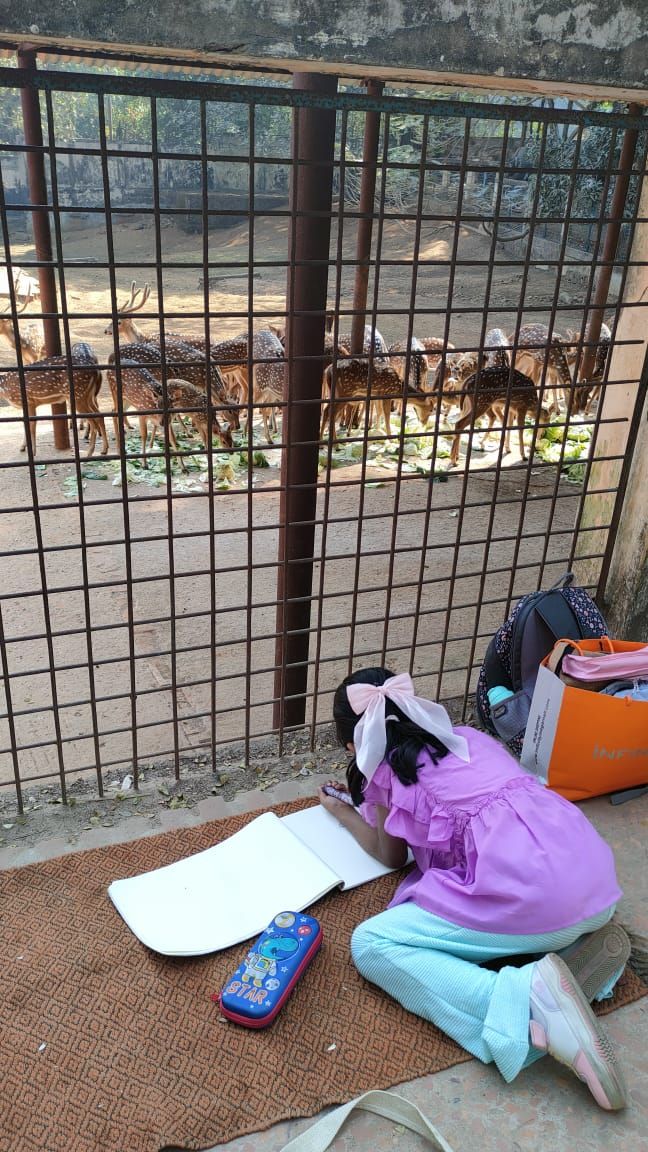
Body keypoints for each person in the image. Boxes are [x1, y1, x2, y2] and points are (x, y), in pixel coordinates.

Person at [319, 667, 628, 1110]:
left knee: (372, 944)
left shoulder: (386, 772)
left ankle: (525, 1005)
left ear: (353, 744)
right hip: (594, 882)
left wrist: (342, 812)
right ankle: (572, 954)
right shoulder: (466, 737)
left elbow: (390, 855)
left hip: (535, 895)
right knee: (526, 917)